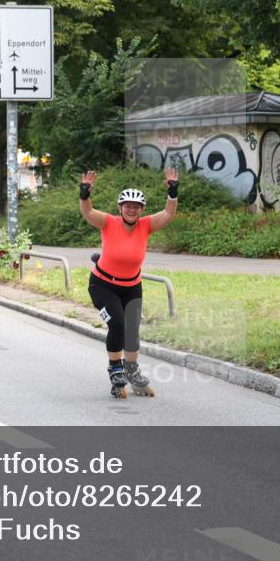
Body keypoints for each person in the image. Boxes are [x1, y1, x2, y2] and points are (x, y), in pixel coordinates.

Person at [79, 168, 179, 398]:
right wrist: (84, 194)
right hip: (102, 285)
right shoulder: (109, 222)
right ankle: (116, 370)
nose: (132, 210)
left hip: (132, 286)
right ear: (120, 208)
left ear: (141, 210)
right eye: (127, 206)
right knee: (117, 325)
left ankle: (132, 372)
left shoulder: (146, 226)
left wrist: (173, 192)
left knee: (132, 332)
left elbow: (167, 214)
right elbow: (88, 212)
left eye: (136, 207)